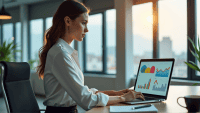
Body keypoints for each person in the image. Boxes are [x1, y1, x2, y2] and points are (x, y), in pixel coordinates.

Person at [36, 0, 145, 113]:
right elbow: (86, 99)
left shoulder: (64, 52)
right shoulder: (60, 54)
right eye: (83, 23)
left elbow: (84, 92)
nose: (87, 29)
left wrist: (117, 93)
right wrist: (123, 98)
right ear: (68, 21)